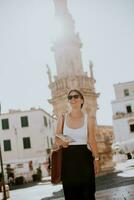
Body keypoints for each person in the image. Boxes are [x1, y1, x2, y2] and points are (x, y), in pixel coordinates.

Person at [55, 89, 100, 200]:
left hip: (85, 159)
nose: (73, 99)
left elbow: (91, 140)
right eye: (70, 97)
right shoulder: (62, 118)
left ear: (81, 100)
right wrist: (63, 143)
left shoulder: (88, 119)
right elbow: (57, 138)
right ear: (68, 101)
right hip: (67, 160)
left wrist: (97, 159)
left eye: (76, 96)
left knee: (88, 194)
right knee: (71, 195)